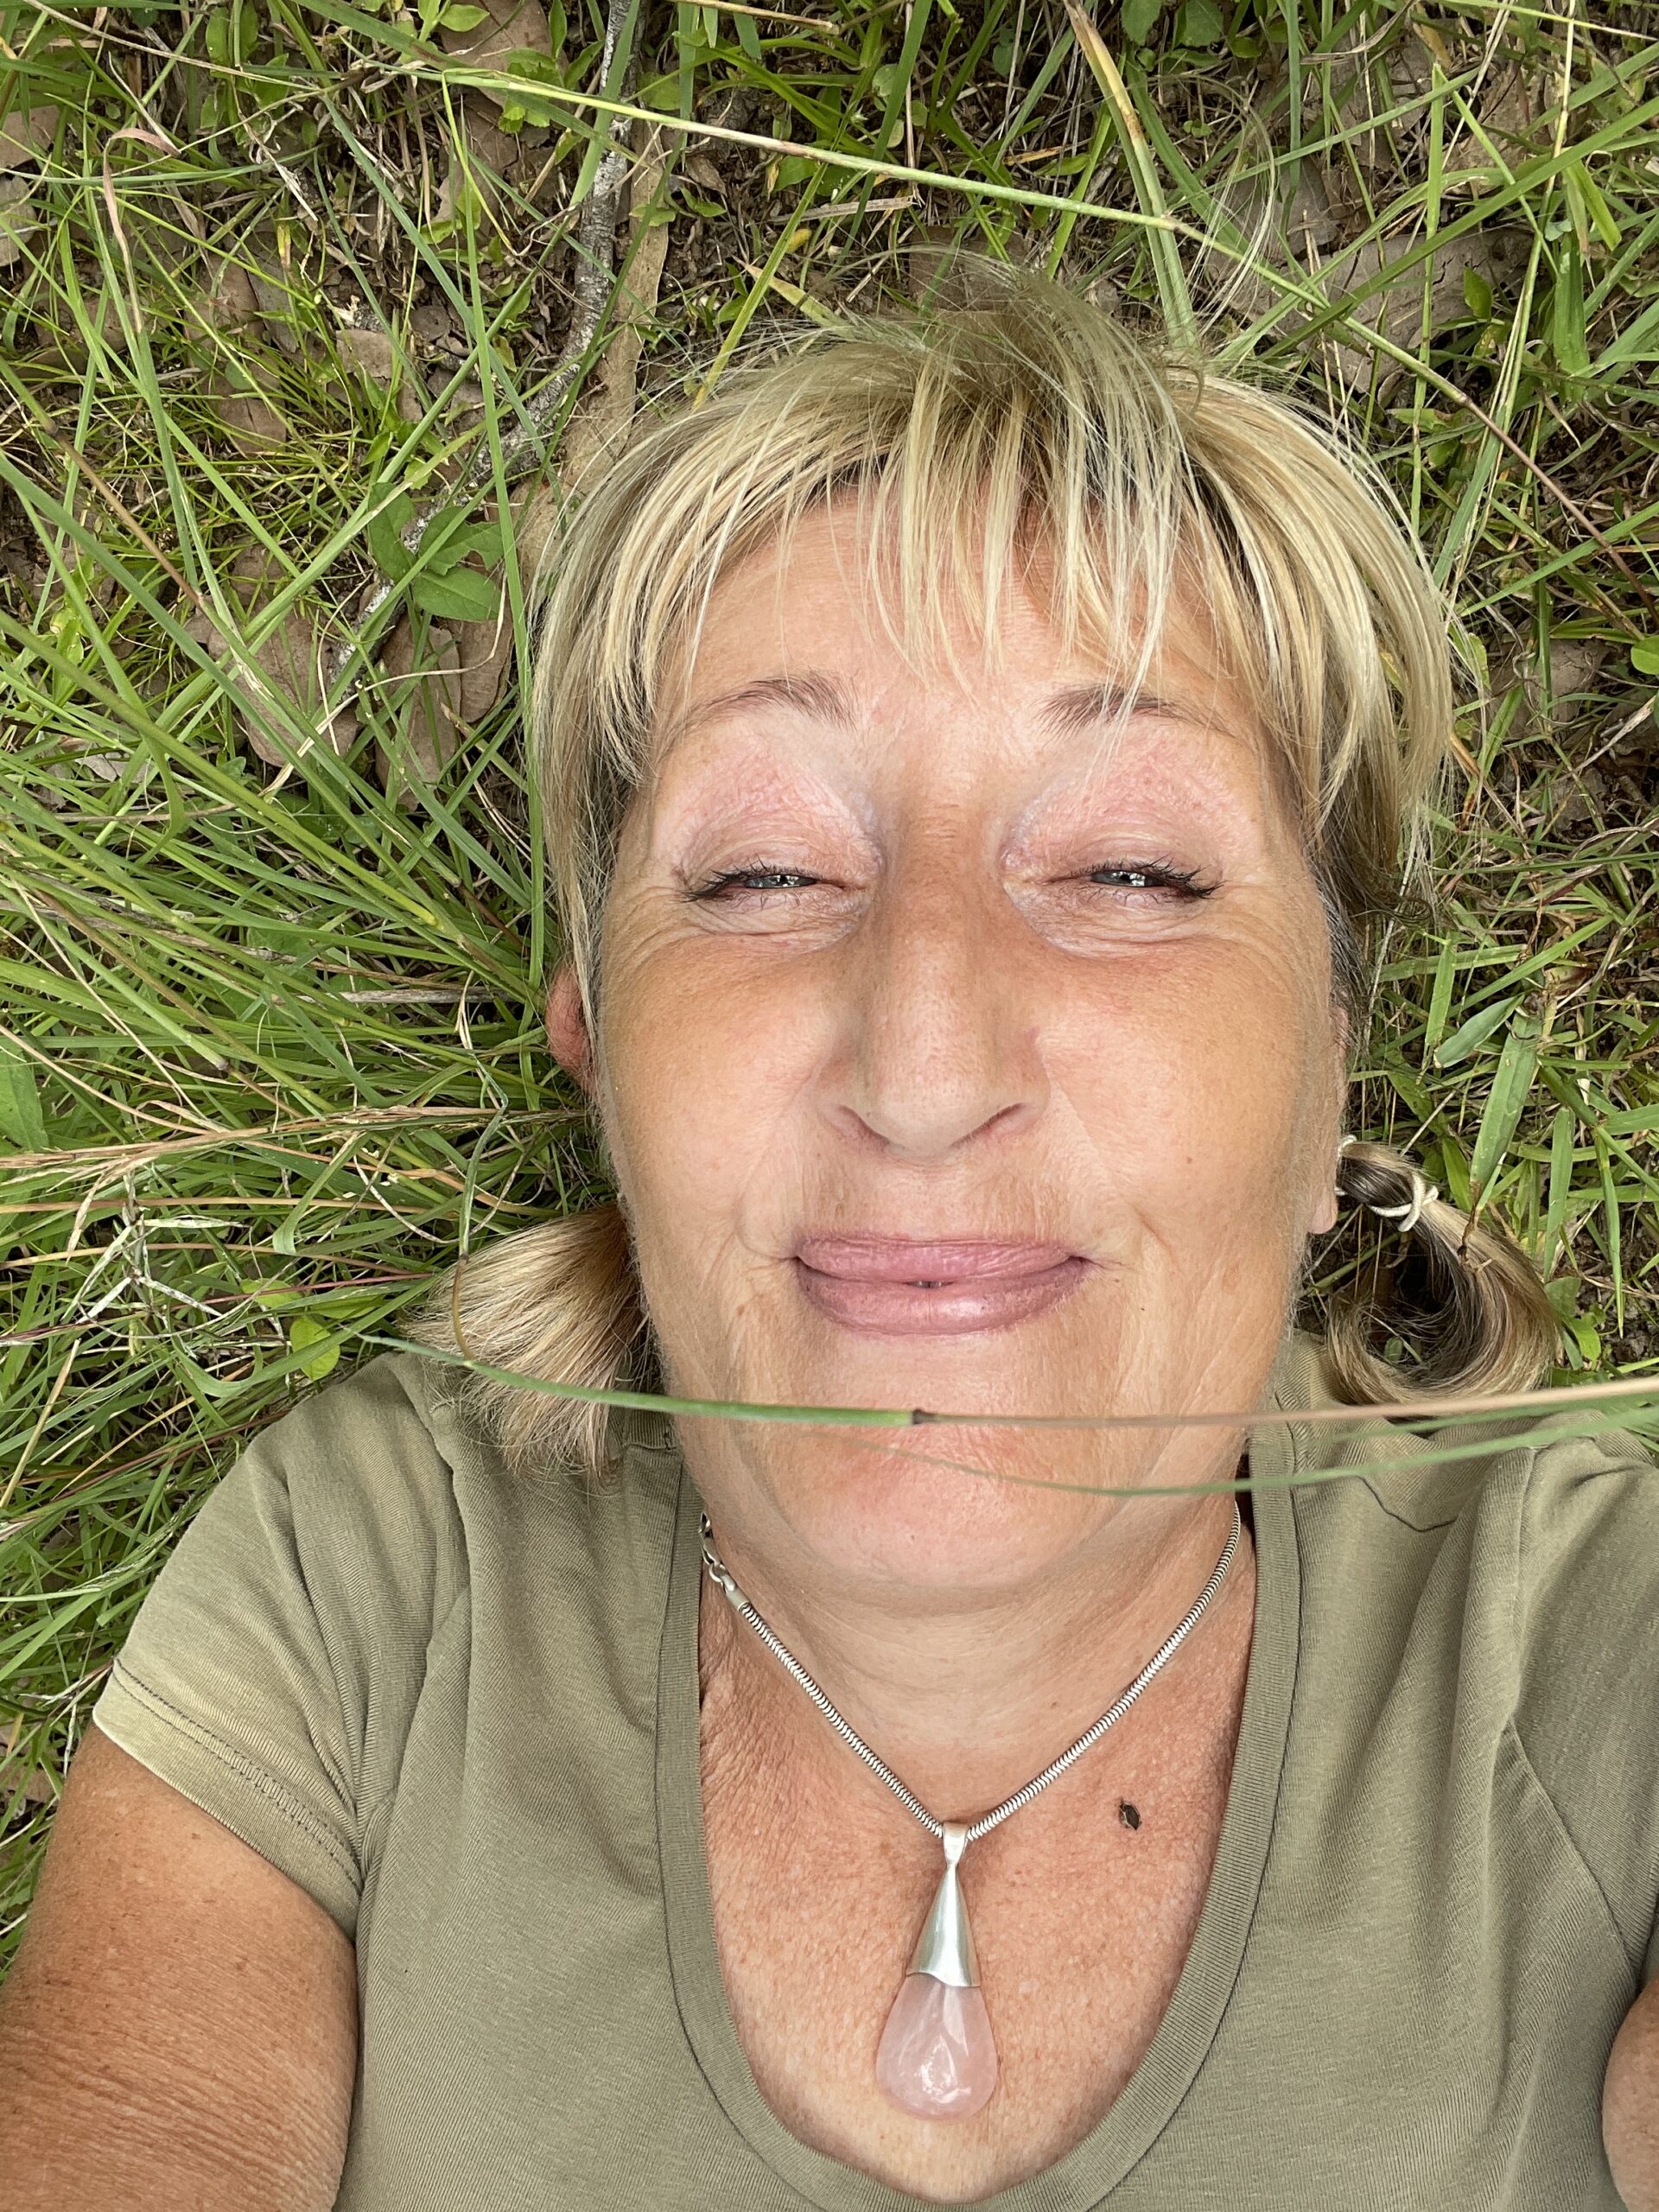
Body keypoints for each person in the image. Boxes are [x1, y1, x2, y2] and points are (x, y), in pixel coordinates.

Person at [3, 268, 1656, 2212]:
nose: (927, 1054)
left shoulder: (1595, 1636)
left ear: (1326, 1076)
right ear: (600, 1046)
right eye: (768, 869)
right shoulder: (379, 1580)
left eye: (1132, 868)